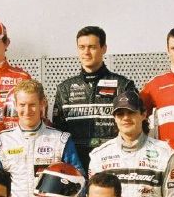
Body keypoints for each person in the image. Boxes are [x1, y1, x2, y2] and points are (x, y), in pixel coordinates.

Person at [0, 79, 84, 197]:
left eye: (32, 104)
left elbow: (79, 179)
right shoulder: (1, 141)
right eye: (22, 105)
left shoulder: (60, 139)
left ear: (42, 104)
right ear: (15, 105)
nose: (27, 111)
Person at [52, 26, 136, 168]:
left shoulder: (123, 85)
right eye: (82, 47)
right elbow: (58, 133)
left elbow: (135, 127)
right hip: (76, 164)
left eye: (92, 47)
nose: (86, 52)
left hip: (112, 162)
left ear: (104, 49)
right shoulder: (64, 89)